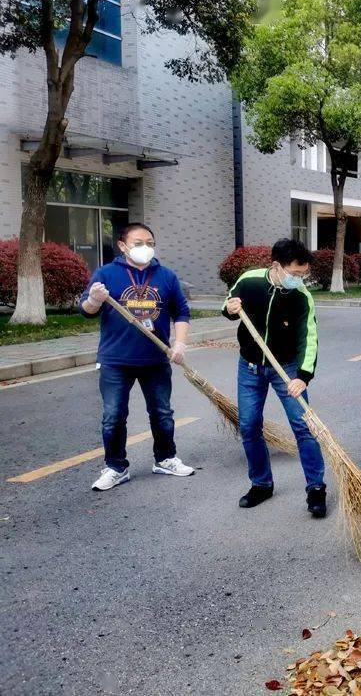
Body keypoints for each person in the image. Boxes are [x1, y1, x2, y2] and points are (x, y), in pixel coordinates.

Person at [81, 222, 195, 491]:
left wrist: (179, 344)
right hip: (115, 361)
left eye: (150, 243)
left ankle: (166, 458)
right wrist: (95, 299)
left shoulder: (166, 276)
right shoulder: (107, 274)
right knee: (113, 416)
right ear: (123, 245)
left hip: (155, 359)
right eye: (139, 243)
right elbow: (86, 310)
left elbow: (181, 312)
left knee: (162, 413)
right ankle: (115, 467)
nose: (146, 248)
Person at [223, 239, 326, 518]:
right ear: (276, 267)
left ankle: (316, 488)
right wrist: (229, 308)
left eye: (304, 274)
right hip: (251, 366)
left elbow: (310, 339)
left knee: (303, 427)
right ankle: (261, 483)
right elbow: (230, 303)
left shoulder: (302, 296)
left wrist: (303, 376)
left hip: (287, 368)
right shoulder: (250, 280)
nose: (300, 279)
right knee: (249, 425)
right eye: (295, 274)